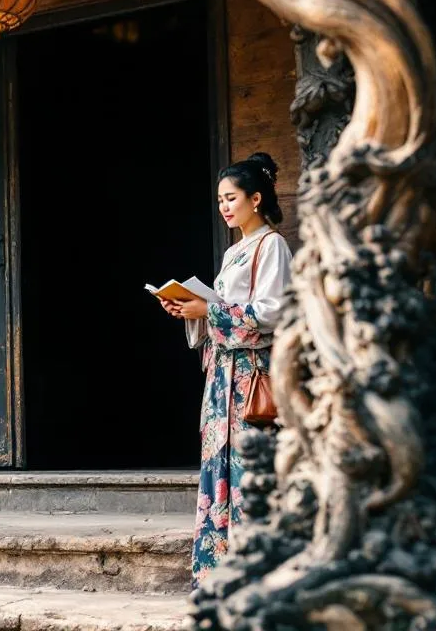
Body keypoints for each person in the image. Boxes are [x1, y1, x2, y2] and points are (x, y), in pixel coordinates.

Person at [157, 151, 293, 587]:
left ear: (256, 198)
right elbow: (224, 310)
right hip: (223, 374)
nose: (224, 207)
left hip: (251, 374)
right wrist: (190, 310)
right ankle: (222, 571)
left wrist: (209, 311)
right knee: (222, 465)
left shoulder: (272, 246)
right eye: (220, 200)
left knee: (251, 467)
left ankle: (258, 571)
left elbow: (273, 313)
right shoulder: (236, 251)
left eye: (231, 198)